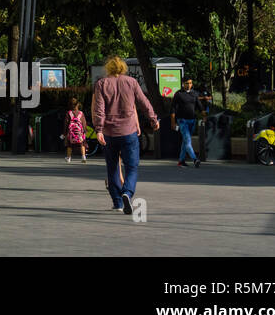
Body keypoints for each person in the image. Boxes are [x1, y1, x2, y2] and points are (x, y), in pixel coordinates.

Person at [91, 55, 159, 214]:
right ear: (123, 68)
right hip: (129, 131)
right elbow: (144, 102)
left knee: (113, 167)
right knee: (132, 166)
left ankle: (117, 203)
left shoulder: (101, 84)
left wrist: (98, 129)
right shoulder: (131, 82)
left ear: (108, 68)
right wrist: (153, 119)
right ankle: (127, 192)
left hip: (109, 133)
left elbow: (99, 109)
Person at [170, 76, 205, 168]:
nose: (189, 85)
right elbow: (173, 109)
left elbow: (200, 106)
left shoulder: (194, 94)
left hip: (192, 120)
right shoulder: (178, 94)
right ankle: (195, 159)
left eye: (190, 83)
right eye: (187, 83)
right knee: (188, 140)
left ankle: (181, 161)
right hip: (182, 121)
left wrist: (204, 116)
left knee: (185, 141)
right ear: (183, 84)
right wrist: (173, 122)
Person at [63, 97, 88, 163]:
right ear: (78, 105)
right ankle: (83, 157)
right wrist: (85, 131)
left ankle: (68, 158)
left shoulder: (69, 113)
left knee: (69, 145)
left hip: (71, 133)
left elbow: (66, 123)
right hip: (80, 133)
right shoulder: (81, 113)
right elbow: (84, 123)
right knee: (82, 144)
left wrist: (64, 133)